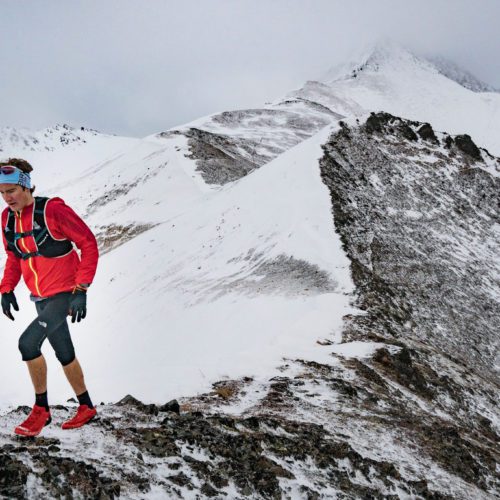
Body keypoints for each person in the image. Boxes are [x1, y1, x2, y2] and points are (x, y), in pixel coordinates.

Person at [0, 158, 99, 437]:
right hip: (40, 296)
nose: (7, 198)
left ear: (26, 186)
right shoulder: (7, 219)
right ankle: (87, 406)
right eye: (2, 193)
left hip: (65, 294)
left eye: (12, 191)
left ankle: (41, 410)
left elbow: (88, 243)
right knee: (64, 351)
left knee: (28, 344)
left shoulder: (52, 210)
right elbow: (14, 256)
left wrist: (81, 289)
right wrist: (6, 288)